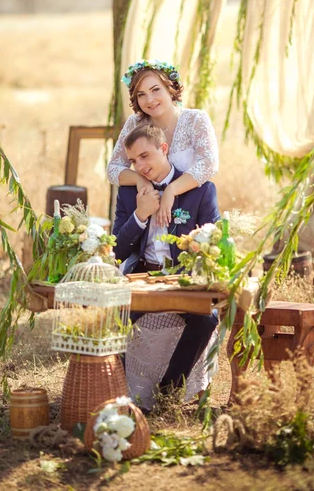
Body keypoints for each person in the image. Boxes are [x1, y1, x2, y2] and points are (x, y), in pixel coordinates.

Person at [112, 124, 220, 401]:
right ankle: (123, 394)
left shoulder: (199, 189)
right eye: (134, 161)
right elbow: (119, 250)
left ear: (164, 149)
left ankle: (168, 392)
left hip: (183, 280)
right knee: (114, 319)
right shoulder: (127, 192)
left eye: (145, 156)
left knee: (206, 319)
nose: (140, 166)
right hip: (141, 278)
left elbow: (215, 240)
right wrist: (140, 215)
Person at [107, 59, 219, 227]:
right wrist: (140, 180)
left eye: (155, 90)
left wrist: (171, 191)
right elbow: (113, 169)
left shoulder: (195, 119)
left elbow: (209, 164)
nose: (149, 100)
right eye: (141, 94)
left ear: (170, 88)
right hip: (148, 217)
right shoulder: (134, 123)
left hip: (189, 215)